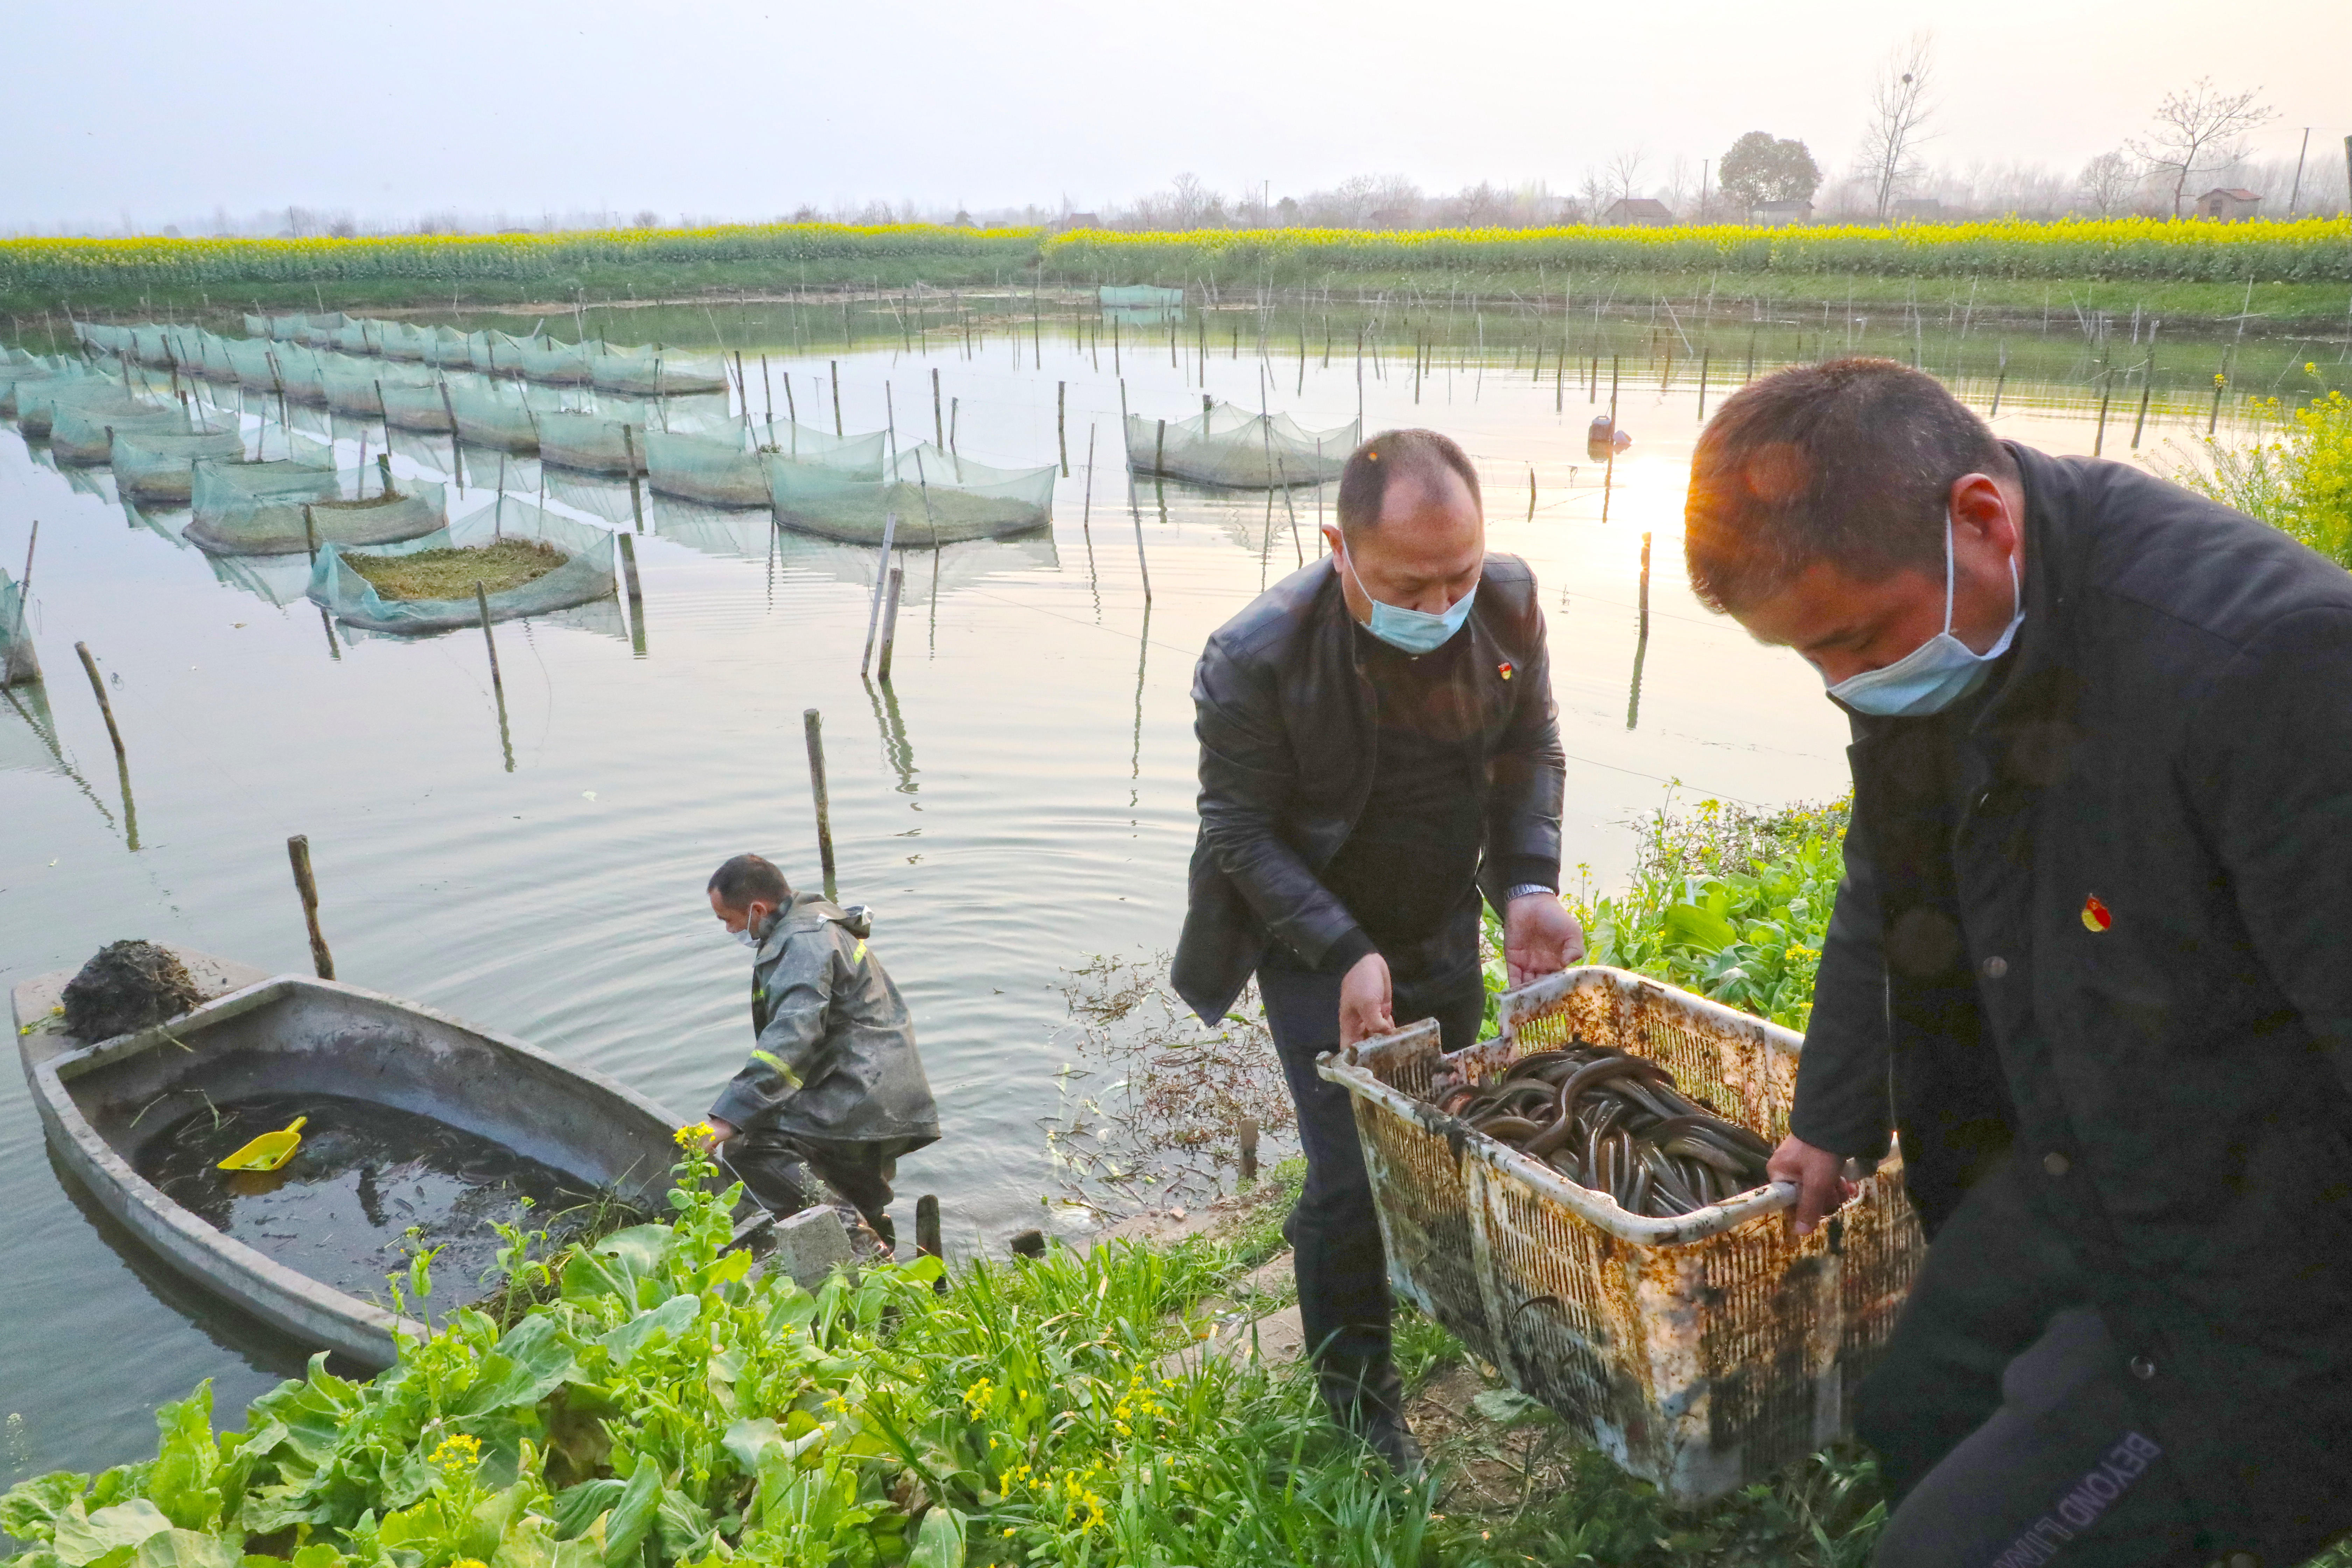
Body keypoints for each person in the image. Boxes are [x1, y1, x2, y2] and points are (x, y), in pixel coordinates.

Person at [1683, 357, 2352, 1567]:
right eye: (1809, 660)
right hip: (2075, 1156)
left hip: (2261, 1250)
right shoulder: (1952, 624)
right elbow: (1882, 871)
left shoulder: (2273, 671)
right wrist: (1834, 1111)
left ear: (1982, 520)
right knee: (1913, 1413)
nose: (1846, 685)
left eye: (1853, 639)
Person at [1173, 428, 1582, 1475]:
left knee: (1447, 1127)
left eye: (1459, 570)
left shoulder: (1507, 599)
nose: (1443, 598)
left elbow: (1526, 746)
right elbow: (1240, 833)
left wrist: (1528, 880)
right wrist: (1345, 948)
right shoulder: (1251, 656)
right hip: (1319, 940)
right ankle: (1359, 1400)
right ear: (1339, 548)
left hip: (1440, 913)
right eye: (1411, 580)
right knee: (1350, 1174)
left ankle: (1436, 1291)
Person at [700, 853, 939, 1253]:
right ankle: (889, 1278)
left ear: (757, 909)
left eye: (728, 919)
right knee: (857, 1193)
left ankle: (861, 1250)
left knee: (751, 1149)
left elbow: (792, 1034)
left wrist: (729, 1118)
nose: (729, 929)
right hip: (888, 1091)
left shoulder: (801, 944)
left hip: (858, 1092)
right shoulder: (819, 923)